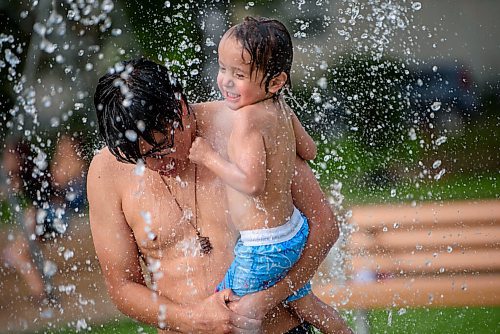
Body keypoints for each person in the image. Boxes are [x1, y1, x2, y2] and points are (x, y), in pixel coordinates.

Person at [90, 57, 351, 333]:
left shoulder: (246, 125)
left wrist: (270, 298)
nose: (157, 164)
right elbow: (122, 287)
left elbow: (325, 226)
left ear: (180, 107)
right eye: (141, 158)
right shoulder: (106, 171)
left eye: (162, 148)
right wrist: (190, 319)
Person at [188, 17, 348, 334]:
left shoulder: (246, 120)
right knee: (305, 304)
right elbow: (310, 150)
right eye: (222, 69)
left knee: (224, 310)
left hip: (264, 246)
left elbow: (251, 183)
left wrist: (208, 157)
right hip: (292, 232)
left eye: (239, 75)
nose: (226, 82)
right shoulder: (280, 107)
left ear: (275, 82)